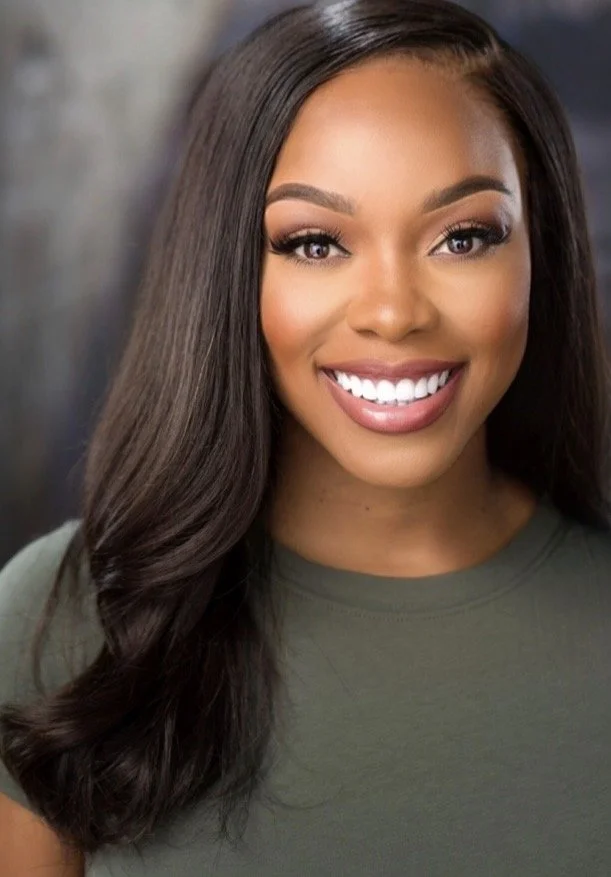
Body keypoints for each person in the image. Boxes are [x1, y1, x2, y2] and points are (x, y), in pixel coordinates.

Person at [2, 0, 611, 874]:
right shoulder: (59, 624)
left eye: (463, 236)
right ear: (230, 274)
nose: (393, 312)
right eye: (316, 243)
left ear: (541, 254)